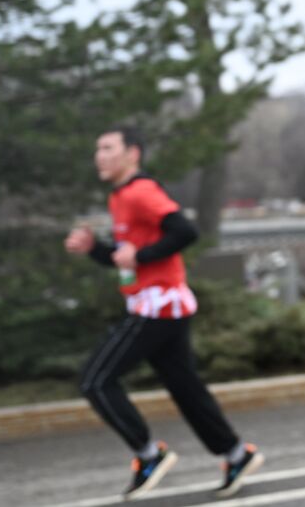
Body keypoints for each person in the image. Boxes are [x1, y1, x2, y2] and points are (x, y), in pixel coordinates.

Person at [65, 126, 263, 500]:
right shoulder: (120, 196)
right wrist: (95, 249)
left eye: (108, 148)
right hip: (161, 304)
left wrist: (140, 256)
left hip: (157, 305)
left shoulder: (141, 192)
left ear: (132, 154)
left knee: (95, 380)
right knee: (184, 387)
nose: (100, 156)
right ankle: (236, 454)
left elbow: (185, 232)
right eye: (98, 148)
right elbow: (127, 259)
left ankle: (149, 454)